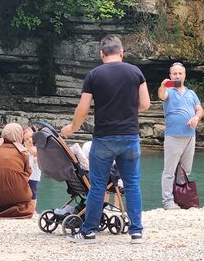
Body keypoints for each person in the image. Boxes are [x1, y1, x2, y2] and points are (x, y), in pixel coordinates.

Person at [61, 34, 151, 242]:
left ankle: (88, 231)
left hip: (103, 138)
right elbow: (145, 104)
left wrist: (71, 128)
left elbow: (83, 109)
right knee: (132, 184)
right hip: (130, 136)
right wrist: (127, 109)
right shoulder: (136, 72)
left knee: (98, 185)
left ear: (102, 54)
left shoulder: (94, 75)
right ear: (122, 53)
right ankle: (136, 231)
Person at [158, 62, 204, 209]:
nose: (177, 76)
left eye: (180, 73)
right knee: (169, 170)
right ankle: (168, 201)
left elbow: (199, 109)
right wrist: (163, 86)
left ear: (184, 75)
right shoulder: (169, 91)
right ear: (170, 75)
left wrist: (196, 118)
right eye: (175, 74)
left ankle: (181, 199)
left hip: (190, 136)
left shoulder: (191, 93)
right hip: (173, 136)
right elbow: (161, 95)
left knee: (185, 170)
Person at [22, 126, 40, 204]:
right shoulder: (24, 148)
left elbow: (39, 154)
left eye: (31, 137)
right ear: (23, 140)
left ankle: (32, 209)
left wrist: (37, 157)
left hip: (34, 174)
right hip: (25, 174)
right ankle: (25, 207)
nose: (30, 140)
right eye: (27, 139)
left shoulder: (37, 147)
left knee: (33, 192)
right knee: (24, 192)